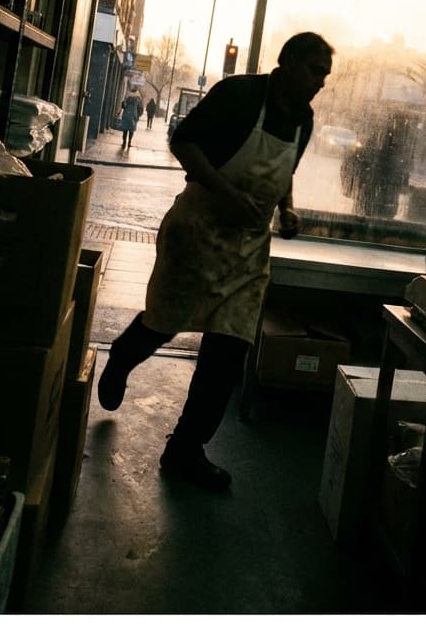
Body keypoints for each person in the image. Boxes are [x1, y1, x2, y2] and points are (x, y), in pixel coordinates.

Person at [97, 32, 334, 490]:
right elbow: (183, 142)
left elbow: (284, 174)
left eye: (325, 74)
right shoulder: (239, 95)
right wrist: (227, 193)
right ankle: (124, 355)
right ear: (285, 64)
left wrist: (287, 209)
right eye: (314, 70)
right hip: (199, 231)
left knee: (227, 351)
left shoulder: (304, 119)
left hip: (247, 248)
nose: (320, 82)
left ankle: (185, 449)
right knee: (165, 322)